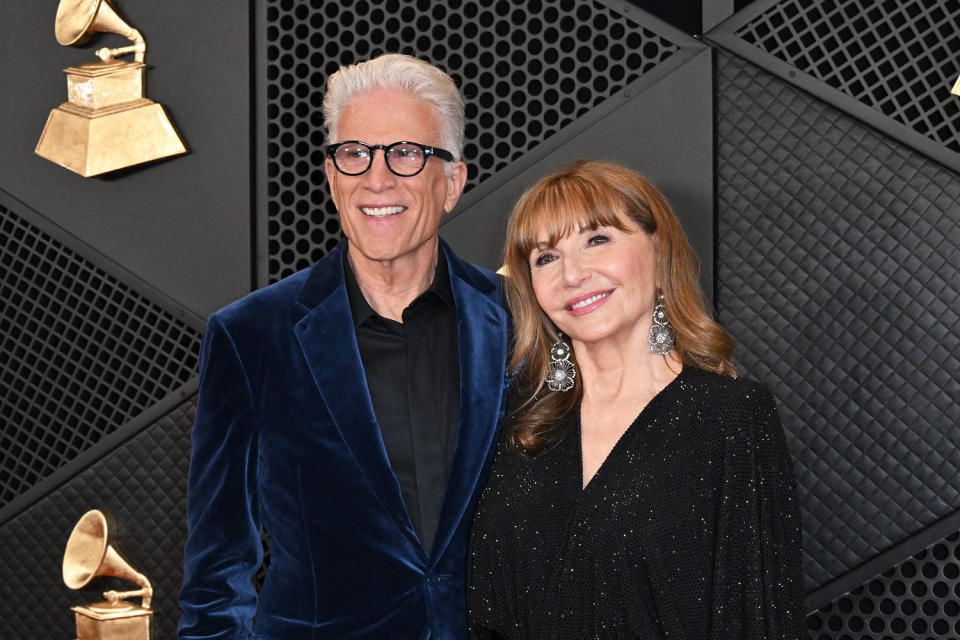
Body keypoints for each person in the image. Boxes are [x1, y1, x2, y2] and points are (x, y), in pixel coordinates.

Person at [178, 54, 510, 639]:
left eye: (407, 153)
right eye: (354, 154)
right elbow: (217, 568)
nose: (376, 179)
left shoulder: (520, 318)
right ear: (332, 179)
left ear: (453, 182)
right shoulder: (251, 335)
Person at [467, 161, 804, 639]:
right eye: (545, 258)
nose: (572, 274)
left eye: (597, 239)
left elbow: (758, 617)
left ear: (659, 250)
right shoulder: (521, 424)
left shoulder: (730, 419)